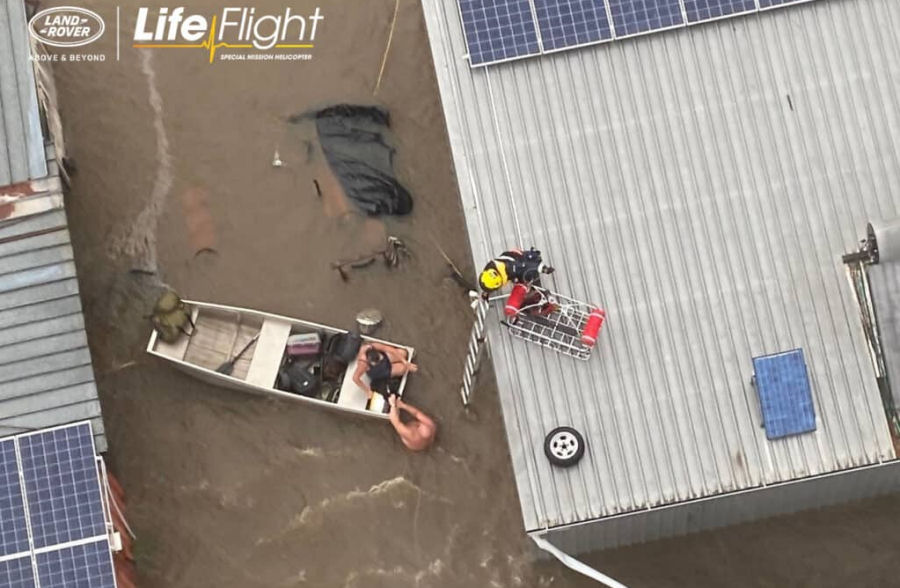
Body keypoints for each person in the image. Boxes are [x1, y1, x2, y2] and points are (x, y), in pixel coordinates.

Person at [352, 341, 417, 399]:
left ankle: (399, 362)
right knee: (403, 368)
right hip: (377, 371)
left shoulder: (373, 345)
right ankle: (392, 374)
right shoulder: (363, 363)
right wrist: (367, 391)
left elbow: (390, 349)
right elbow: (355, 378)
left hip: (385, 358)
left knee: (403, 353)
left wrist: (405, 362)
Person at [478, 247, 555, 295]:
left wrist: (544, 269)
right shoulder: (490, 267)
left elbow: (528, 266)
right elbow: (489, 281)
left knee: (527, 276)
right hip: (512, 258)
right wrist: (486, 292)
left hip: (521, 261)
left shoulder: (512, 268)